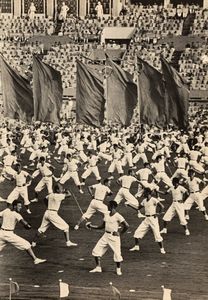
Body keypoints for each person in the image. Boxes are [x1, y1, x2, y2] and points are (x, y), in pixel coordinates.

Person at [87, 200, 129, 275]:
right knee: (96, 250)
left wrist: (120, 233)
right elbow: (102, 226)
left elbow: (126, 225)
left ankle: (118, 269)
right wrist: (91, 226)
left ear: (112, 206)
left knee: (117, 254)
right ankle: (98, 267)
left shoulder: (118, 216)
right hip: (105, 236)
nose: (107, 207)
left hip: (114, 237)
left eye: (108, 205)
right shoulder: (106, 214)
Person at [0, 200, 46, 265]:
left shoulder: (6, 210)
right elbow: (24, 223)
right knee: (26, 244)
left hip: (1, 233)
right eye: (19, 206)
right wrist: (28, 226)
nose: (20, 208)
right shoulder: (17, 215)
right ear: (15, 206)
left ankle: (35, 259)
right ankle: (35, 260)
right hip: (9, 235)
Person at [129, 188, 166, 254]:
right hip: (146, 219)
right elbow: (138, 208)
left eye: (144, 193)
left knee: (157, 234)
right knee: (137, 232)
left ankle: (162, 249)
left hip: (153, 219)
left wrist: (158, 213)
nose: (143, 194)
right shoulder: (144, 200)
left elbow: (162, 206)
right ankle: (136, 246)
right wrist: (129, 205)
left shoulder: (154, 199)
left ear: (148, 193)